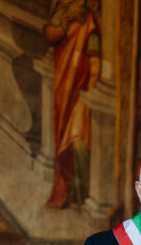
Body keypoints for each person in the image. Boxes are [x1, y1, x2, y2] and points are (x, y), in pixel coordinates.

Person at [43, 0, 100, 208]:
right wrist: (62, 27)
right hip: (63, 89)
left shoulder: (90, 24)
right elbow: (50, 35)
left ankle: (79, 193)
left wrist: (89, 90)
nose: (79, 4)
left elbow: (95, 62)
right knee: (64, 138)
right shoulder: (63, 13)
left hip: (82, 94)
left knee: (78, 142)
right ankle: (67, 191)